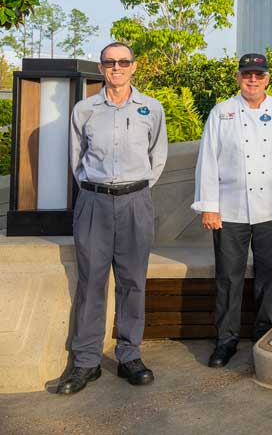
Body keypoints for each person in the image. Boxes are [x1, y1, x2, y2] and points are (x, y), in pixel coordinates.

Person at [59, 42, 168, 395]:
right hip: (94, 202)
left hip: (136, 202)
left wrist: (134, 189)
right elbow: (77, 159)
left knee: (133, 281)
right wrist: (97, 190)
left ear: (134, 67)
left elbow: (158, 156)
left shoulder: (151, 109)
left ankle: (129, 356)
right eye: (110, 62)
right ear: (102, 67)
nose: (117, 68)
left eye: (123, 62)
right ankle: (86, 362)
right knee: (91, 283)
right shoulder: (84, 110)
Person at [193, 53, 272, 369]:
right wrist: (209, 207)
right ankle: (226, 340)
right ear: (238, 77)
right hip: (229, 211)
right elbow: (208, 161)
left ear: (267, 78)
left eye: (259, 75)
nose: (253, 80)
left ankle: (263, 336)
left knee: (267, 275)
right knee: (228, 277)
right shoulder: (222, 113)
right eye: (247, 75)